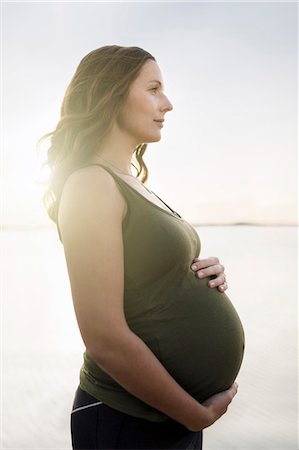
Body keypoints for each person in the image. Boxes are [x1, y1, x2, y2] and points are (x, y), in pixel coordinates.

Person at [38, 45, 245, 450]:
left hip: (165, 418)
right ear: (110, 93)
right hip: (127, 420)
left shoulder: (127, 182)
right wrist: (193, 414)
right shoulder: (90, 184)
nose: (166, 104)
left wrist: (201, 275)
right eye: (153, 88)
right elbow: (103, 335)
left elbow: (152, 279)